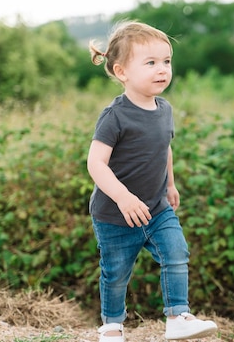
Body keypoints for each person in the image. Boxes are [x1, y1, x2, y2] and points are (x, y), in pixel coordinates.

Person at [86, 20, 218, 342]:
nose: (162, 70)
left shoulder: (165, 109)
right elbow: (95, 163)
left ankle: (177, 317)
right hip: (115, 214)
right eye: (151, 63)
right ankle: (112, 326)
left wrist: (170, 184)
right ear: (122, 72)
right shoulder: (114, 116)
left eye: (166, 61)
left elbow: (165, 148)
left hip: (157, 207)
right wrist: (123, 197)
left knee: (176, 252)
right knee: (116, 274)